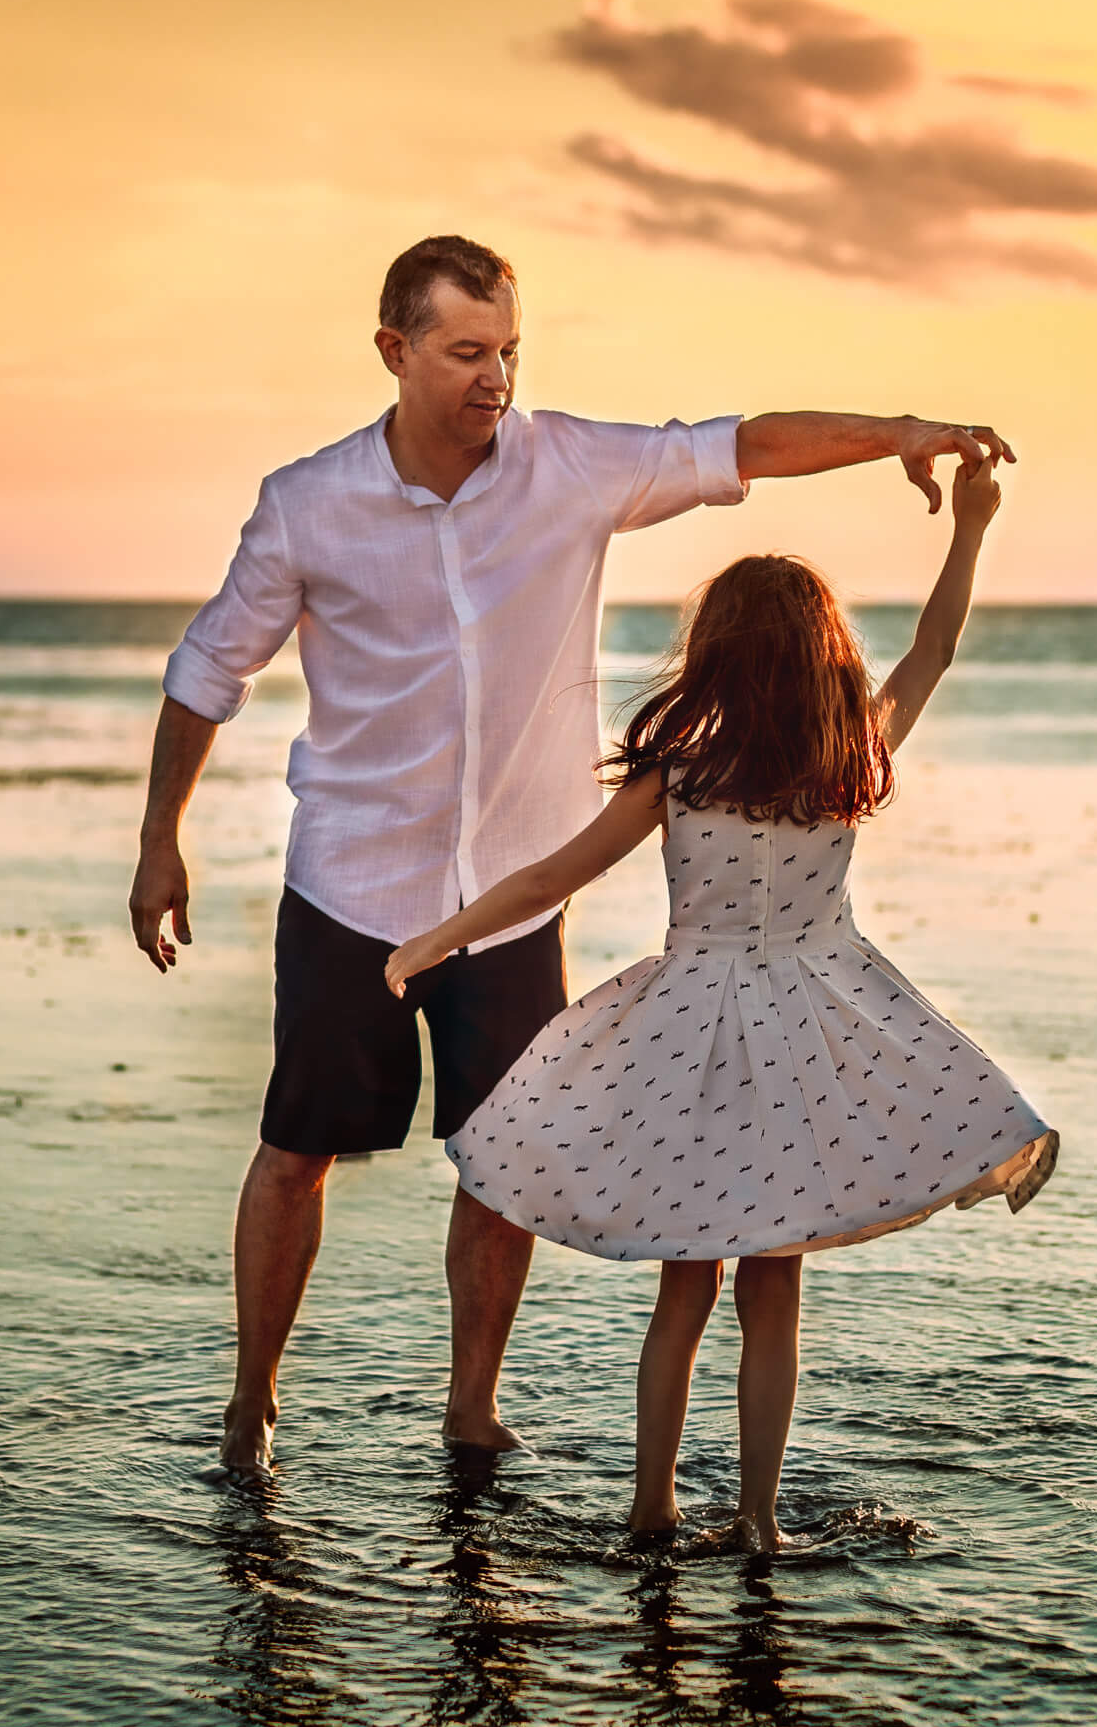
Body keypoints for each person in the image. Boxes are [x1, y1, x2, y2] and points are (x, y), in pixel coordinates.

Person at [128, 232, 1016, 1475]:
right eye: (465, 352)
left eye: (509, 351)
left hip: (514, 894)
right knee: (297, 1146)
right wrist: (161, 836)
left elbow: (742, 444)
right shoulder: (307, 503)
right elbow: (207, 668)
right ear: (394, 351)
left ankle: (472, 1405)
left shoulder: (571, 466)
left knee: (501, 1158)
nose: (495, 378)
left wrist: (901, 430)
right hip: (351, 880)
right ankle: (254, 1399)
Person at [384, 456, 1057, 1551]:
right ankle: (754, 1521)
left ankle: (652, 1508)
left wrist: (440, 936)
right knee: (774, 1292)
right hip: (812, 1029)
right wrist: (973, 526)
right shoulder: (852, 754)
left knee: (684, 1292)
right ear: (823, 657)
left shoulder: (681, 771)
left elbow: (552, 877)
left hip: (689, 1032)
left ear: (719, 657)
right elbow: (935, 646)